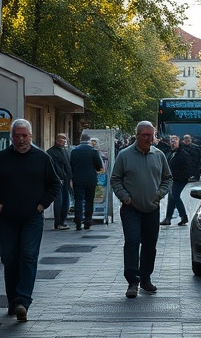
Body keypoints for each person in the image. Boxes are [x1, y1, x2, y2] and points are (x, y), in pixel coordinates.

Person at [0, 118, 61, 322]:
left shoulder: (42, 158)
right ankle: (13, 299)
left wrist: (41, 205)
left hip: (32, 218)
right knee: (9, 258)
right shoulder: (1, 158)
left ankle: (23, 301)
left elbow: (54, 185)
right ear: (11, 137)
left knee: (28, 255)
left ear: (31, 136)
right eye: (17, 136)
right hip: (8, 218)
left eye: (25, 136)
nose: (21, 140)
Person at [110, 120, 171, 298]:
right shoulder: (125, 155)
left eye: (151, 135)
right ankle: (132, 281)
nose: (148, 138)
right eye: (144, 135)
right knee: (132, 241)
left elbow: (168, 178)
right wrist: (124, 196)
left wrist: (160, 194)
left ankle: (145, 278)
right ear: (136, 136)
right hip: (131, 208)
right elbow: (115, 179)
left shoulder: (159, 155)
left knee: (150, 245)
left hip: (152, 208)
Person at [69, 131, 104, 230]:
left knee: (78, 200)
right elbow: (99, 166)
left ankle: (78, 221)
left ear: (80, 140)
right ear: (89, 141)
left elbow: (71, 164)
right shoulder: (92, 151)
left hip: (77, 178)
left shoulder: (74, 151)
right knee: (89, 200)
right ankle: (88, 220)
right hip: (90, 179)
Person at [160, 131, 192, 226]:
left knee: (175, 196)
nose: (173, 142)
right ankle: (168, 218)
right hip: (173, 178)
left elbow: (187, 167)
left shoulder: (183, 153)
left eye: (175, 140)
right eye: (171, 140)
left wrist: (182, 176)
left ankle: (184, 216)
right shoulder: (172, 152)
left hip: (180, 179)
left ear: (179, 141)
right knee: (171, 197)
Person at [45, 133, 72, 231]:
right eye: (61, 139)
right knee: (59, 201)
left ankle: (61, 222)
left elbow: (67, 165)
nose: (63, 141)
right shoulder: (51, 152)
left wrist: (70, 177)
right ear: (57, 140)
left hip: (65, 179)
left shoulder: (64, 151)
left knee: (66, 201)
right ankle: (58, 222)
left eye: (64, 139)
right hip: (58, 180)